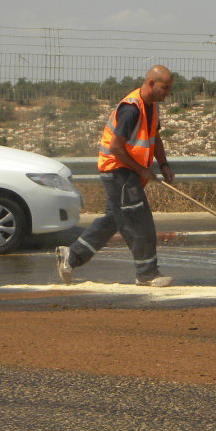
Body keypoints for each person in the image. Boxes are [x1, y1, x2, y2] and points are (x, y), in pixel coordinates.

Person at [56, 65, 176, 286]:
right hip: (118, 170)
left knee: (113, 220)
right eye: (165, 88)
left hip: (128, 170)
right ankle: (147, 274)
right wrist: (141, 170)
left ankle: (71, 257)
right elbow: (116, 148)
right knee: (139, 221)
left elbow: (154, 137)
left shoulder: (152, 107)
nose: (167, 92)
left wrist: (164, 163)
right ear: (151, 83)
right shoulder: (131, 109)